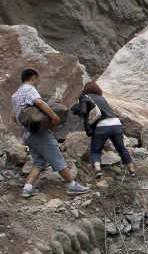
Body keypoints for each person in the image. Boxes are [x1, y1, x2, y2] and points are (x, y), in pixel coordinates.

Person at [12, 69, 90, 198]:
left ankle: (27, 188)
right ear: (33, 78)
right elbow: (39, 102)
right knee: (56, 156)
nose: (38, 82)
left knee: (39, 161)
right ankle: (72, 185)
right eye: (37, 79)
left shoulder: (15, 95)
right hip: (38, 133)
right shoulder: (29, 89)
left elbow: (15, 117)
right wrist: (54, 117)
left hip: (26, 134)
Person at [79, 82, 136, 179]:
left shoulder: (84, 97)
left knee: (96, 150)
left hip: (102, 126)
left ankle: (98, 170)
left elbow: (83, 111)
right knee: (121, 148)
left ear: (85, 89)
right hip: (116, 124)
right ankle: (132, 170)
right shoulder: (102, 98)